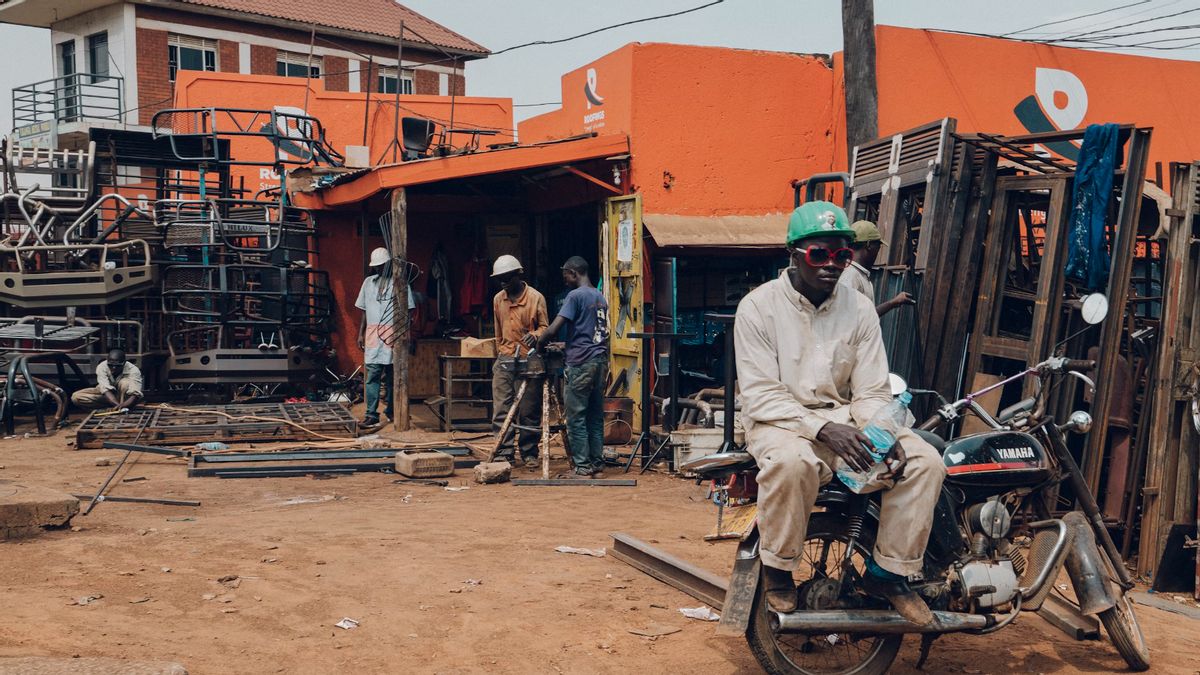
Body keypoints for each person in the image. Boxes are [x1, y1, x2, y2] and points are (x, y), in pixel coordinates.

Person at [735, 201, 945, 624]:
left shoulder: (860, 308)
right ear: (793, 254)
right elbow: (760, 395)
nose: (832, 264)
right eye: (819, 254)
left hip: (847, 420)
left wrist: (883, 433)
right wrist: (823, 427)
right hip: (780, 422)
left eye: (841, 255)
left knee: (924, 460)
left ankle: (888, 573)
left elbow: (870, 389)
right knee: (793, 464)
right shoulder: (757, 308)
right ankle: (778, 568)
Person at [533, 256, 609, 478]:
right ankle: (597, 463)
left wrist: (540, 345)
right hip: (599, 361)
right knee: (594, 416)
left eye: (565, 274)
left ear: (574, 273)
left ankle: (582, 467)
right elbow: (591, 333)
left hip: (581, 364)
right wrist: (567, 344)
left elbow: (553, 327)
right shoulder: (598, 296)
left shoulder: (574, 296)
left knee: (576, 418)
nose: (564, 279)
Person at [490, 254, 549, 469]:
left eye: (507, 278)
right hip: (505, 358)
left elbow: (546, 327)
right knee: (501, 408)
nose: (504, 283)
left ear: (518, 275)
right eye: (500, 279)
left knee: (529, 410)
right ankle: (504, 452)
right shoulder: (498, 299)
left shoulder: (535, 298)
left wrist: (535, 335)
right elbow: (498, 331)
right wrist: (501, 353)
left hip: (530, 360)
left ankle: (529, 452)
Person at [356, 246, 415, 428]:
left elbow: (409, 311)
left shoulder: (400, 283)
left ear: (389, 264)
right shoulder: (368, 282)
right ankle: (371, 414)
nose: (379, 269)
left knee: (391, 376)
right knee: (372, 375)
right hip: (372, 334)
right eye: (377, 266)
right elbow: (364, 310)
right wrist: (360, 333)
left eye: (382, 266)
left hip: (392, 333)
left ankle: (391, 411)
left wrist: (406, 334)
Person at [839, 220, 916, 316]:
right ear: (869, 246)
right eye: (878, 247)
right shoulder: (850, 275)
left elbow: (867, 317)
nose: (877, 252)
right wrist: (893, 303)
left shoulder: (859, 274)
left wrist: (894, 302)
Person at [71, 349, 144, 411]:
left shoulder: (134, 370)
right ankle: (109, 408)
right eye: (111, 365)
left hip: (125, 399)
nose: (113, 368)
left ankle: (123, 408)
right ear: (107, 361)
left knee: (125, 383)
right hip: (109, 397)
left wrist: (123, 405)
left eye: (117, 366)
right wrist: (118, 405)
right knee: (76, 397)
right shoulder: (102, 367)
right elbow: (105, 391)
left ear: (124, 363)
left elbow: (135, 394)